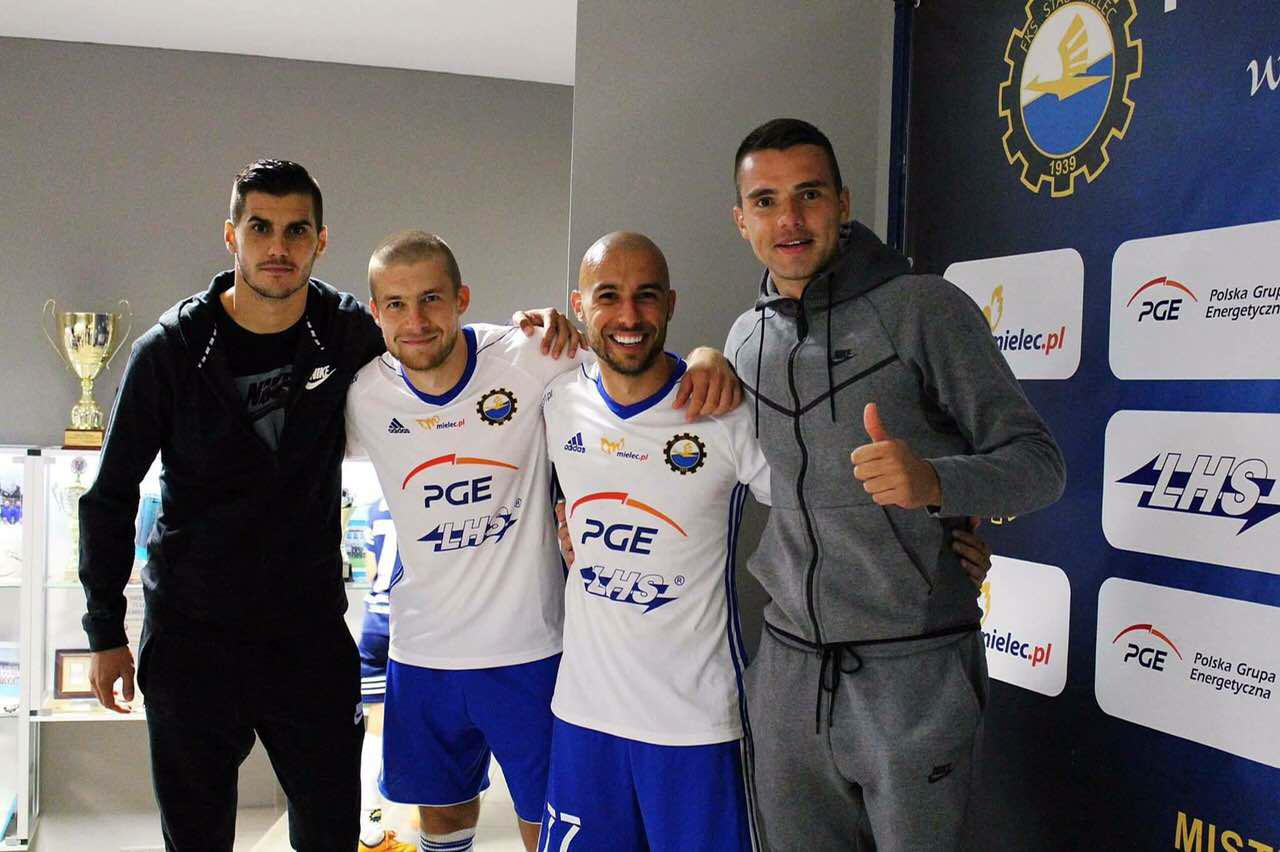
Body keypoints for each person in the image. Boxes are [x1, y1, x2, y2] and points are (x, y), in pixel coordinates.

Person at [540, 232, 996, 852]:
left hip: (697, 724)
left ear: (670, 303)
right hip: (582, 712)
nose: (628, 316)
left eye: (646, 296)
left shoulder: (722, 412)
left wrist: (941, 539)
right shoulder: (556, 397)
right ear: (578, 305)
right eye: (607, 297)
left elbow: (828, 506)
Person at [724, 118, 1066, 851]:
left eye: (809, 194)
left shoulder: (922, 308)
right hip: (788, 671)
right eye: (765, 201)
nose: (789, 220)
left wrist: (935, 482)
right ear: (741, 219)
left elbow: (1040, 466)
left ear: (843, 203)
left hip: (912, 668)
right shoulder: (744, 339)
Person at [343, 231, 739, 852]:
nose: (415, 321)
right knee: (440, 817)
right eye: (396, 304)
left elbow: (627, 358)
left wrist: (710, 356)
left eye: (431, 299)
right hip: (421, 650)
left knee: (543, 821)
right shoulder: (364, 395)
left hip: (530, 649)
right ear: (375, 312)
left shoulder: (532, 356)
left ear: (462, 298)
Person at [78, 159, 385, 852]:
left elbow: (437, 353)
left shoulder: (346, 333)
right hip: (193, 638)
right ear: (231, 236)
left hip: (307, 635)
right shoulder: (171, 351)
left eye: (296, 230)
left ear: (320, 241)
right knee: (196, 838)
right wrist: (104, 631)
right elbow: (109, 495)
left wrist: (531, 333)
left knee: (332, 833)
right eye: (260, 228)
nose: (278, 246)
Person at [357, 497, 416, 852]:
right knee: (433, 721)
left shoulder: (373, 508)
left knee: (375, 728)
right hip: (412, 623)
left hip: (374, 622)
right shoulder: (420, 496)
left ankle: (370, 828)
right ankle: (430, 807)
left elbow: (371, 569)